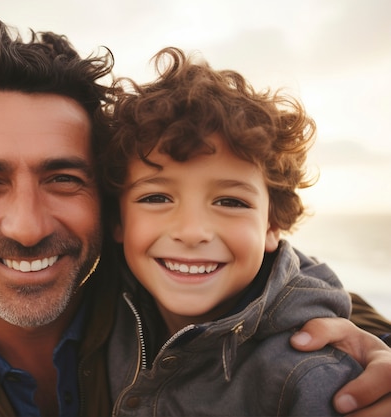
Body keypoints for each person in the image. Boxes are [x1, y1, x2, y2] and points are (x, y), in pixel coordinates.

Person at [0, 16, 391, 417]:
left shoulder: (158, 288)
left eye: (63, 178)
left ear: (106, 201)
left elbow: (286, 290)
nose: (26, 227)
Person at [102, 47, 385, 416]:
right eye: (156, 197)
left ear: (272, 225)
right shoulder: (99, 304)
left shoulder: (308, 377)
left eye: (230, 202)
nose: (192, 232)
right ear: (117, 221)